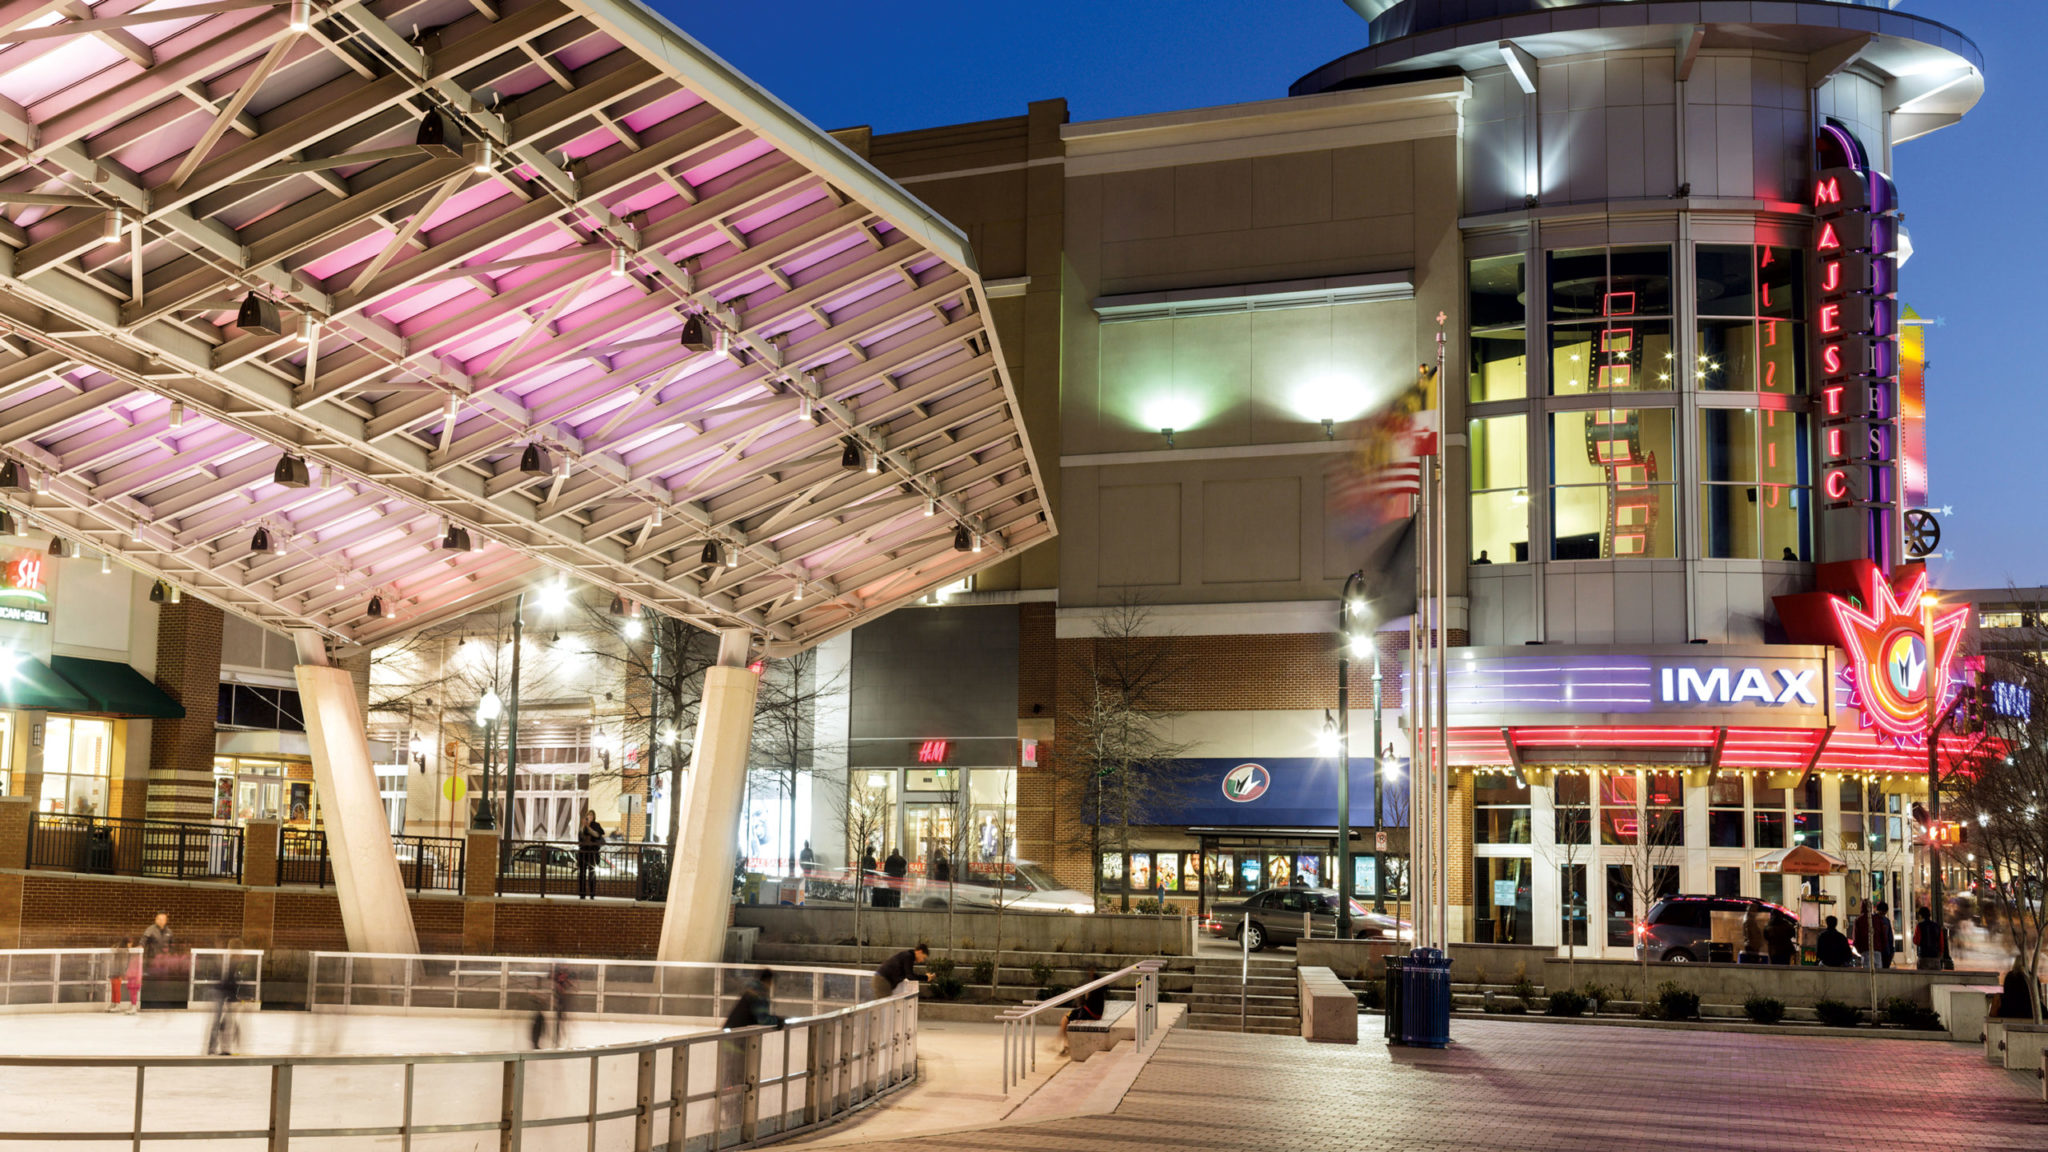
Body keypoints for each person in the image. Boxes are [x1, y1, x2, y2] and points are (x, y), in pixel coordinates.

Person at [1058, 967, 1105, 1057]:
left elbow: (1085, 1001)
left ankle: (1066, 1044)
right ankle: (1065, 1043)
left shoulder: (1093, 984)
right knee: (1068, 1016)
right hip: (1094, 1012)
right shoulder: (1098, 983)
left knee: (1065, 1019)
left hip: (1090, 1013)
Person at [206, 960, 241, 1055]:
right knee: (225, 1025)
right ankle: (221, 1048)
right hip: (227, 1002)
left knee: (226, 1025)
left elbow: (226, 989)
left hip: (227, 1003)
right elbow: (226, 989)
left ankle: (220, 1048)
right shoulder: (230, 978)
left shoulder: (229, 978)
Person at [576, 811, 605, 900]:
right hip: (583, 852)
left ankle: (592, 893)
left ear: (594, 817)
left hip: (592, 853)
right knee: (582, 874)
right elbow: (581, 836)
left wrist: (588, 827)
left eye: (591, 815)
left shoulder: (596, 825)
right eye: (588, 815)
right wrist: (583, 826)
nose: (589, 817)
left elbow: (596, 835)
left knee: (592, 874)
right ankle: (582, 893)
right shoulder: (582, 826)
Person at [1912, 906, 1949, 971]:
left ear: (1920, 915)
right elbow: (1941, 942)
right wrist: (1940, 954)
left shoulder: (1919, 926)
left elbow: (1916, 941)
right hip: (1935, 956)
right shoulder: (1937, 926)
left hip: (1923, 956)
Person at [1871, 901, 1896, 970]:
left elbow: (1890, 937)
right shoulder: (1884, 921)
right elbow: (1889, 937)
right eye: (1882, 913)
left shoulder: (1885, 921)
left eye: (1884, 913)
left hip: (1884, 950)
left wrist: (1891, 950)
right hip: (1880, 950)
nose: (1883, 915)